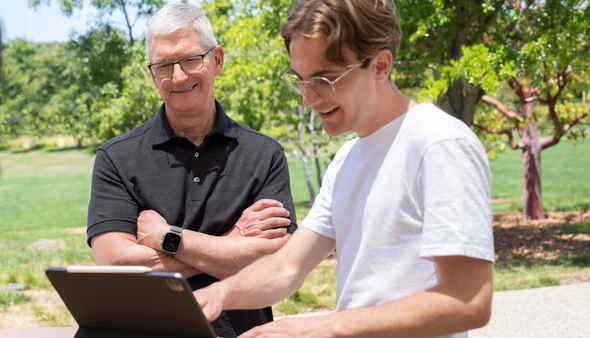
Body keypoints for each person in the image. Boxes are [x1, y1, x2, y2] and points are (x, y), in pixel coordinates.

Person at [194, 0, 495, 337]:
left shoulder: (439, 144)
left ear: (380, 65)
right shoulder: (347, 158)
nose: (308, 99)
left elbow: (469, 300)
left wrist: (324, 327)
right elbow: (287, 267)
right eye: (300, 80)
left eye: (324, 79)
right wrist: (216, 295)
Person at [86, 3, 297, 337]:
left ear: (217, 60)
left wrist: (165, 238)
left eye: (190, 59)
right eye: (164, 65)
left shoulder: (264, 154)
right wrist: (230, 244)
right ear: (152, 74)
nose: (178, 76)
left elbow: (274, 261)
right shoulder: (116, 157)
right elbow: (114, 264)